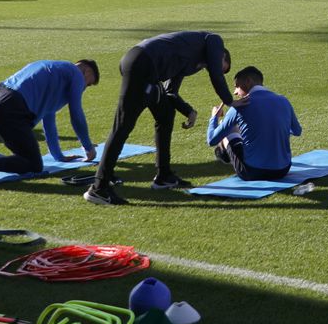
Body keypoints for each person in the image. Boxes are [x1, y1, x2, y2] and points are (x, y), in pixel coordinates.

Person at [85, 31, 236, 205]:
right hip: (141, 62)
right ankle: (99, 188)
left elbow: (170, 91)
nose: (213, 68)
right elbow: (216, 76)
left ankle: (164, 176)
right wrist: (231, 103)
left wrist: (188, 111)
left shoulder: (191, 59)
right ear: (221, 55)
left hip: (148, 71)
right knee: (122, 126)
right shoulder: (213, 40)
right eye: (220, 65)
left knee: (165, 114)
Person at [207, 66, 301, 181]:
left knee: (229, 127)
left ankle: (224, 154)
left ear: (248, 82)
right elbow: (297, 131)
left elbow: (211, 139)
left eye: (237, 86)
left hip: (252, 172)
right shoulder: (283, 100)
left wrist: (214, 117)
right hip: (283, 170)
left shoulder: (239, 106)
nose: (235, 92)